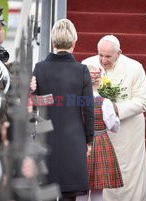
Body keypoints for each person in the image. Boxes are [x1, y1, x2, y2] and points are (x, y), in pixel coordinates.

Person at [32, 19, 94, 201]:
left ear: (53, 42)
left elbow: (34, 104)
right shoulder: (81, 70)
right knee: (69, 194)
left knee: (46, 191)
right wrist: (89, 139)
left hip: (46, 136)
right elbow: (88, 108)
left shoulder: (40, 68)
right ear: (74, 41)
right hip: (74, 137)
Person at [82, 35, 146, 201]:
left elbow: (142, 101)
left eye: (108, 56)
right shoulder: (86, 65)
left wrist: (115, 107)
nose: (103, 60)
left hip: (128, 133)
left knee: (129, 174)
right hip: (98, 133)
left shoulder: (135, 67)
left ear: (119, 53)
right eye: (100, 55)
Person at [76, 66, 123, 201]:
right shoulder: (105, 102)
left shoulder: (76, 100)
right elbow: (112, 126)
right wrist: (116, 119)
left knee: (81, 190)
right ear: (99, 82)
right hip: (100, 142)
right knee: (97, 191)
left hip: (80, 143)